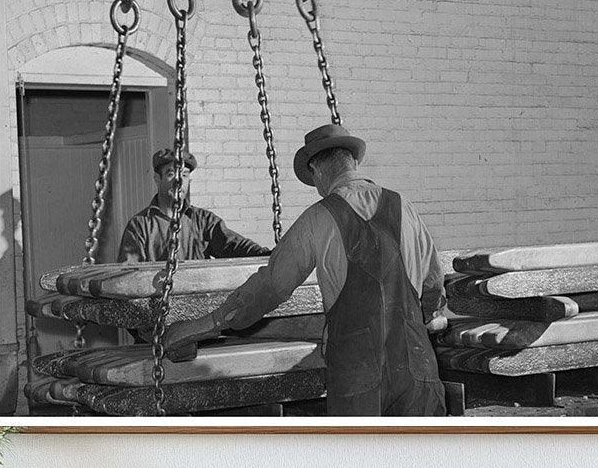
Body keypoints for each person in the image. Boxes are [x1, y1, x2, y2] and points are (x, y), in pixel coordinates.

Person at [162, 124, 447, 416]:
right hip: (417, 371)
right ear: (355, 163)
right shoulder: (405, 207)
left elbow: (270, 287)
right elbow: (434, 286)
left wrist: (204, 325)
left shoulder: (318, 218)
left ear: (317, 172)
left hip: (358, 376)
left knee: (361, 459)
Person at [117, 148, 270, 262]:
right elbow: (129, 273)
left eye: (184, 175)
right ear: (157, 179)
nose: (179, 181)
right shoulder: (140, 226)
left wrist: (267, 254)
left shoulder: (204, 221)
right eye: (171, 174)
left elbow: (233, 245)